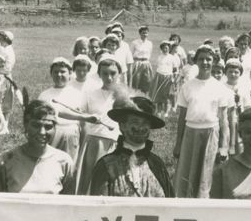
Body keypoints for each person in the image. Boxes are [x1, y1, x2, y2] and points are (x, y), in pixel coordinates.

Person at [173, 46, 231, 198]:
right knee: (187, 173)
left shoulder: (220, 88)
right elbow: (182, 117)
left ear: (214, 62)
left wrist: (224, 146)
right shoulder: (187, 86)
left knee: (207, 173)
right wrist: (178, 143)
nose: (205, 62)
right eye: (201, 59)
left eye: (209, 59)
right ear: (195, 61)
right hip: (190, 133)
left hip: (211, 133)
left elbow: (224, 119)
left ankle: (204, 202)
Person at [89, 96, 173, 197]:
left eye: (145, 123)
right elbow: (99, 208)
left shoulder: (157, 165)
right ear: (122, 126)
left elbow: (170, 205)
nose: (140, 128)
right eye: (135, 122)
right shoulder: (106, 165)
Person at [0, 100, 76, 194]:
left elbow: (69, 205)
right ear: (26, 125)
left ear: (55, 128)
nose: (42, 132)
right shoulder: (5, 161)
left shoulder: (65, 162)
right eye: (36, 125)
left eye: (48, 127)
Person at [74, 56, 125, 194]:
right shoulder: (90, 94)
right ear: (99, 75)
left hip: (117, 144)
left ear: (119, 74)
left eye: (113, 73)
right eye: (105, 73)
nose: (109, 77)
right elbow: (82, 121)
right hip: (94, 143)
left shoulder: (125, 96)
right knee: (92, 179)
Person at [37, 57, 85, 161]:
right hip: (51, 133)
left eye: (63, 72)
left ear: (70, 73)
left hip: (71, 134)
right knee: (48, 162)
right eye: (55, 72)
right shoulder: (44, 95)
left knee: (69, 164)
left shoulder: (77, 94)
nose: (59, 75)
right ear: (51, 74)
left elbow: (83, 122)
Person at [151, 40, 180, 116]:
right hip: (159, 76)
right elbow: (158, 67)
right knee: (159, 95)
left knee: (167, 94)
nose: (165, 49)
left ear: (169, 48)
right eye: (163, 48)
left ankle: (166, 111)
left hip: (168, 77)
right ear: (161, 49)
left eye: (166, 48)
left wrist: (174, 78)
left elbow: (175, 70)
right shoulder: (159, 57)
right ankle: (159, 111)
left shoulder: (172, 58)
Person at [130, 25, 155, 94]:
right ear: (140, 33)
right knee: (136, 81)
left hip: (146, 63)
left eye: (146, 33)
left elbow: (149, 53)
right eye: (143, 33)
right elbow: (130, 54)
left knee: (147, 81)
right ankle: (134, 96)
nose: (145, 34)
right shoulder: (134, 43)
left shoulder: (150, 43)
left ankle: (144, 97)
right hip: (137, 63)